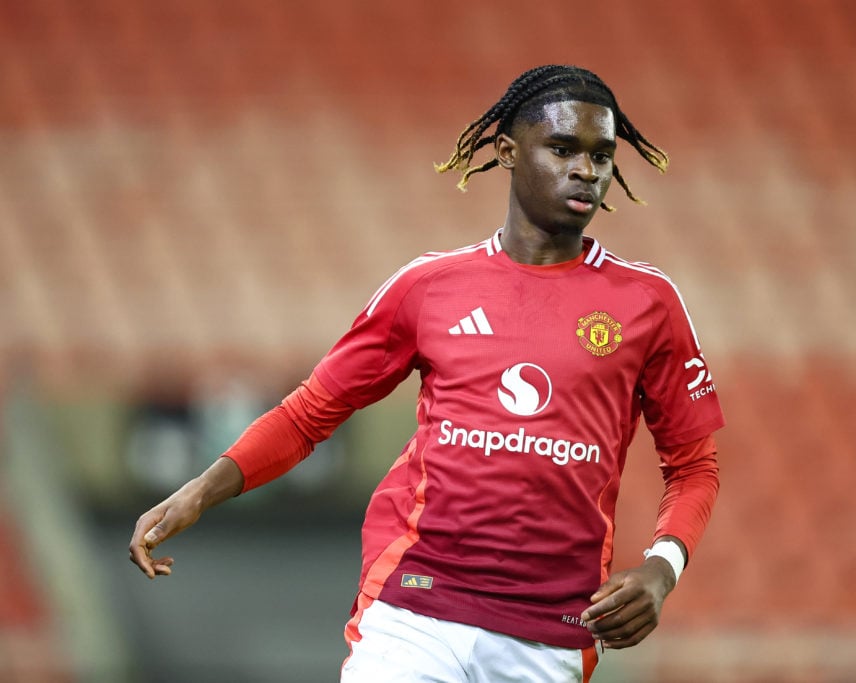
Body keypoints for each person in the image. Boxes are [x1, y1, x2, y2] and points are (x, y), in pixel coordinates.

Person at [129, 64, 724, 682]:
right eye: (564, 148)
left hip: (550, 634)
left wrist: (663, 566)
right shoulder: (429, 287)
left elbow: (694, 466)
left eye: (603, 155)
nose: (588, 170)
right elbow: (309, 416)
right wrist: (198, 492)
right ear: (507, 152)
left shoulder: (648, 304)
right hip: (415, 608)